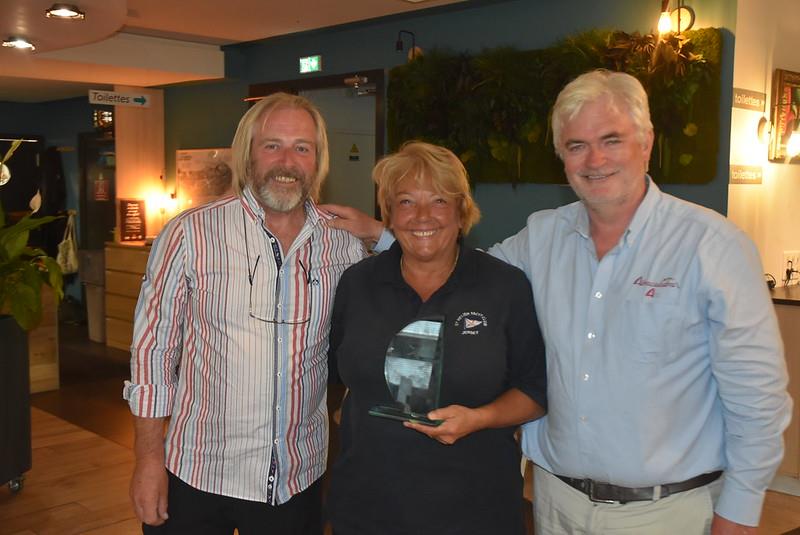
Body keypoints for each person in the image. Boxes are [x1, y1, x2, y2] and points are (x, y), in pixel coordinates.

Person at [321, 70, 792, 534]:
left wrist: (741, 511)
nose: (594, 160)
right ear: (561, 157)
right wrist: (383, 235)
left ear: (646, 143)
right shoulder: (544, 236)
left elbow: (758, 397)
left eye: (611, 140)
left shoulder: (712, 246)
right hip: (554, 502)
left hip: (664, 512)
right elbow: (457, 266)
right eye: (576, 146)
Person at [123, 93, 366, 534]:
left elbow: (417, 278)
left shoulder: (344, 246)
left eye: (302, 147)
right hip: (194, 475)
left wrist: (382, 233)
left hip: (296, 479)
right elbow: (152, 353)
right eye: (272, 145)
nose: (287, 161)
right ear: (248, 154)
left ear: (318, 160)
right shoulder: (191, 233)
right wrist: (148, 460)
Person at [326, 141, 547, 535]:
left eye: (440, 201)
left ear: (462, 212)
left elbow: (536, 390)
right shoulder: (358, 282)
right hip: (368, 506)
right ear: (389, 214)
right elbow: (338, 372)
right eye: (406, 202)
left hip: (475, 508)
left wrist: (480, 418)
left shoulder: (503, 287)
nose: (422, 216)